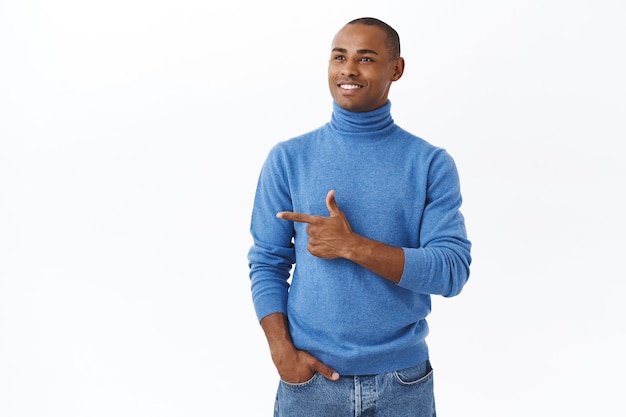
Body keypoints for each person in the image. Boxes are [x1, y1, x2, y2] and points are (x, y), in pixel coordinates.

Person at [247, 17, 471, 417]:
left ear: (396, 69)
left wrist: (354, 247)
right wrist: (283, 355)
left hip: (403, 384)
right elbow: (267, 262)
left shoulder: (429, 164)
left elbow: (451, 272)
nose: (348, 69)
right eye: (339, 57)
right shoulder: (288, 159)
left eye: (365, 58)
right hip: (310, 381)